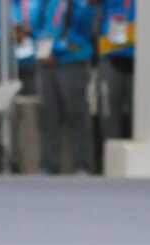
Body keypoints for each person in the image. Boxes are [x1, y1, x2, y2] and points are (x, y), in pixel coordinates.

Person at [37, 0, 95, 174]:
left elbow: (84, 28)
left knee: (76, 113)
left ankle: (82, 164)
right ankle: (49, 164)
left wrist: (57, 49)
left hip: (72, 60)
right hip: (47, 62)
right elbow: (41, 26)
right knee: (49, 115)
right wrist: (42, 49)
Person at [0, 0, 45, 96]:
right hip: (3, 63)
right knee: (3, 102)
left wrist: (30, 32)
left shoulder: (37, 2)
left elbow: (46, 29)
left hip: (31, 62)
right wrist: (5, 34)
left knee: (29, 102)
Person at [93, 0, 134, 141]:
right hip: (110, 58)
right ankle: (110, 159)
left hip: (141, 61)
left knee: (141, 120)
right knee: (109, 119)